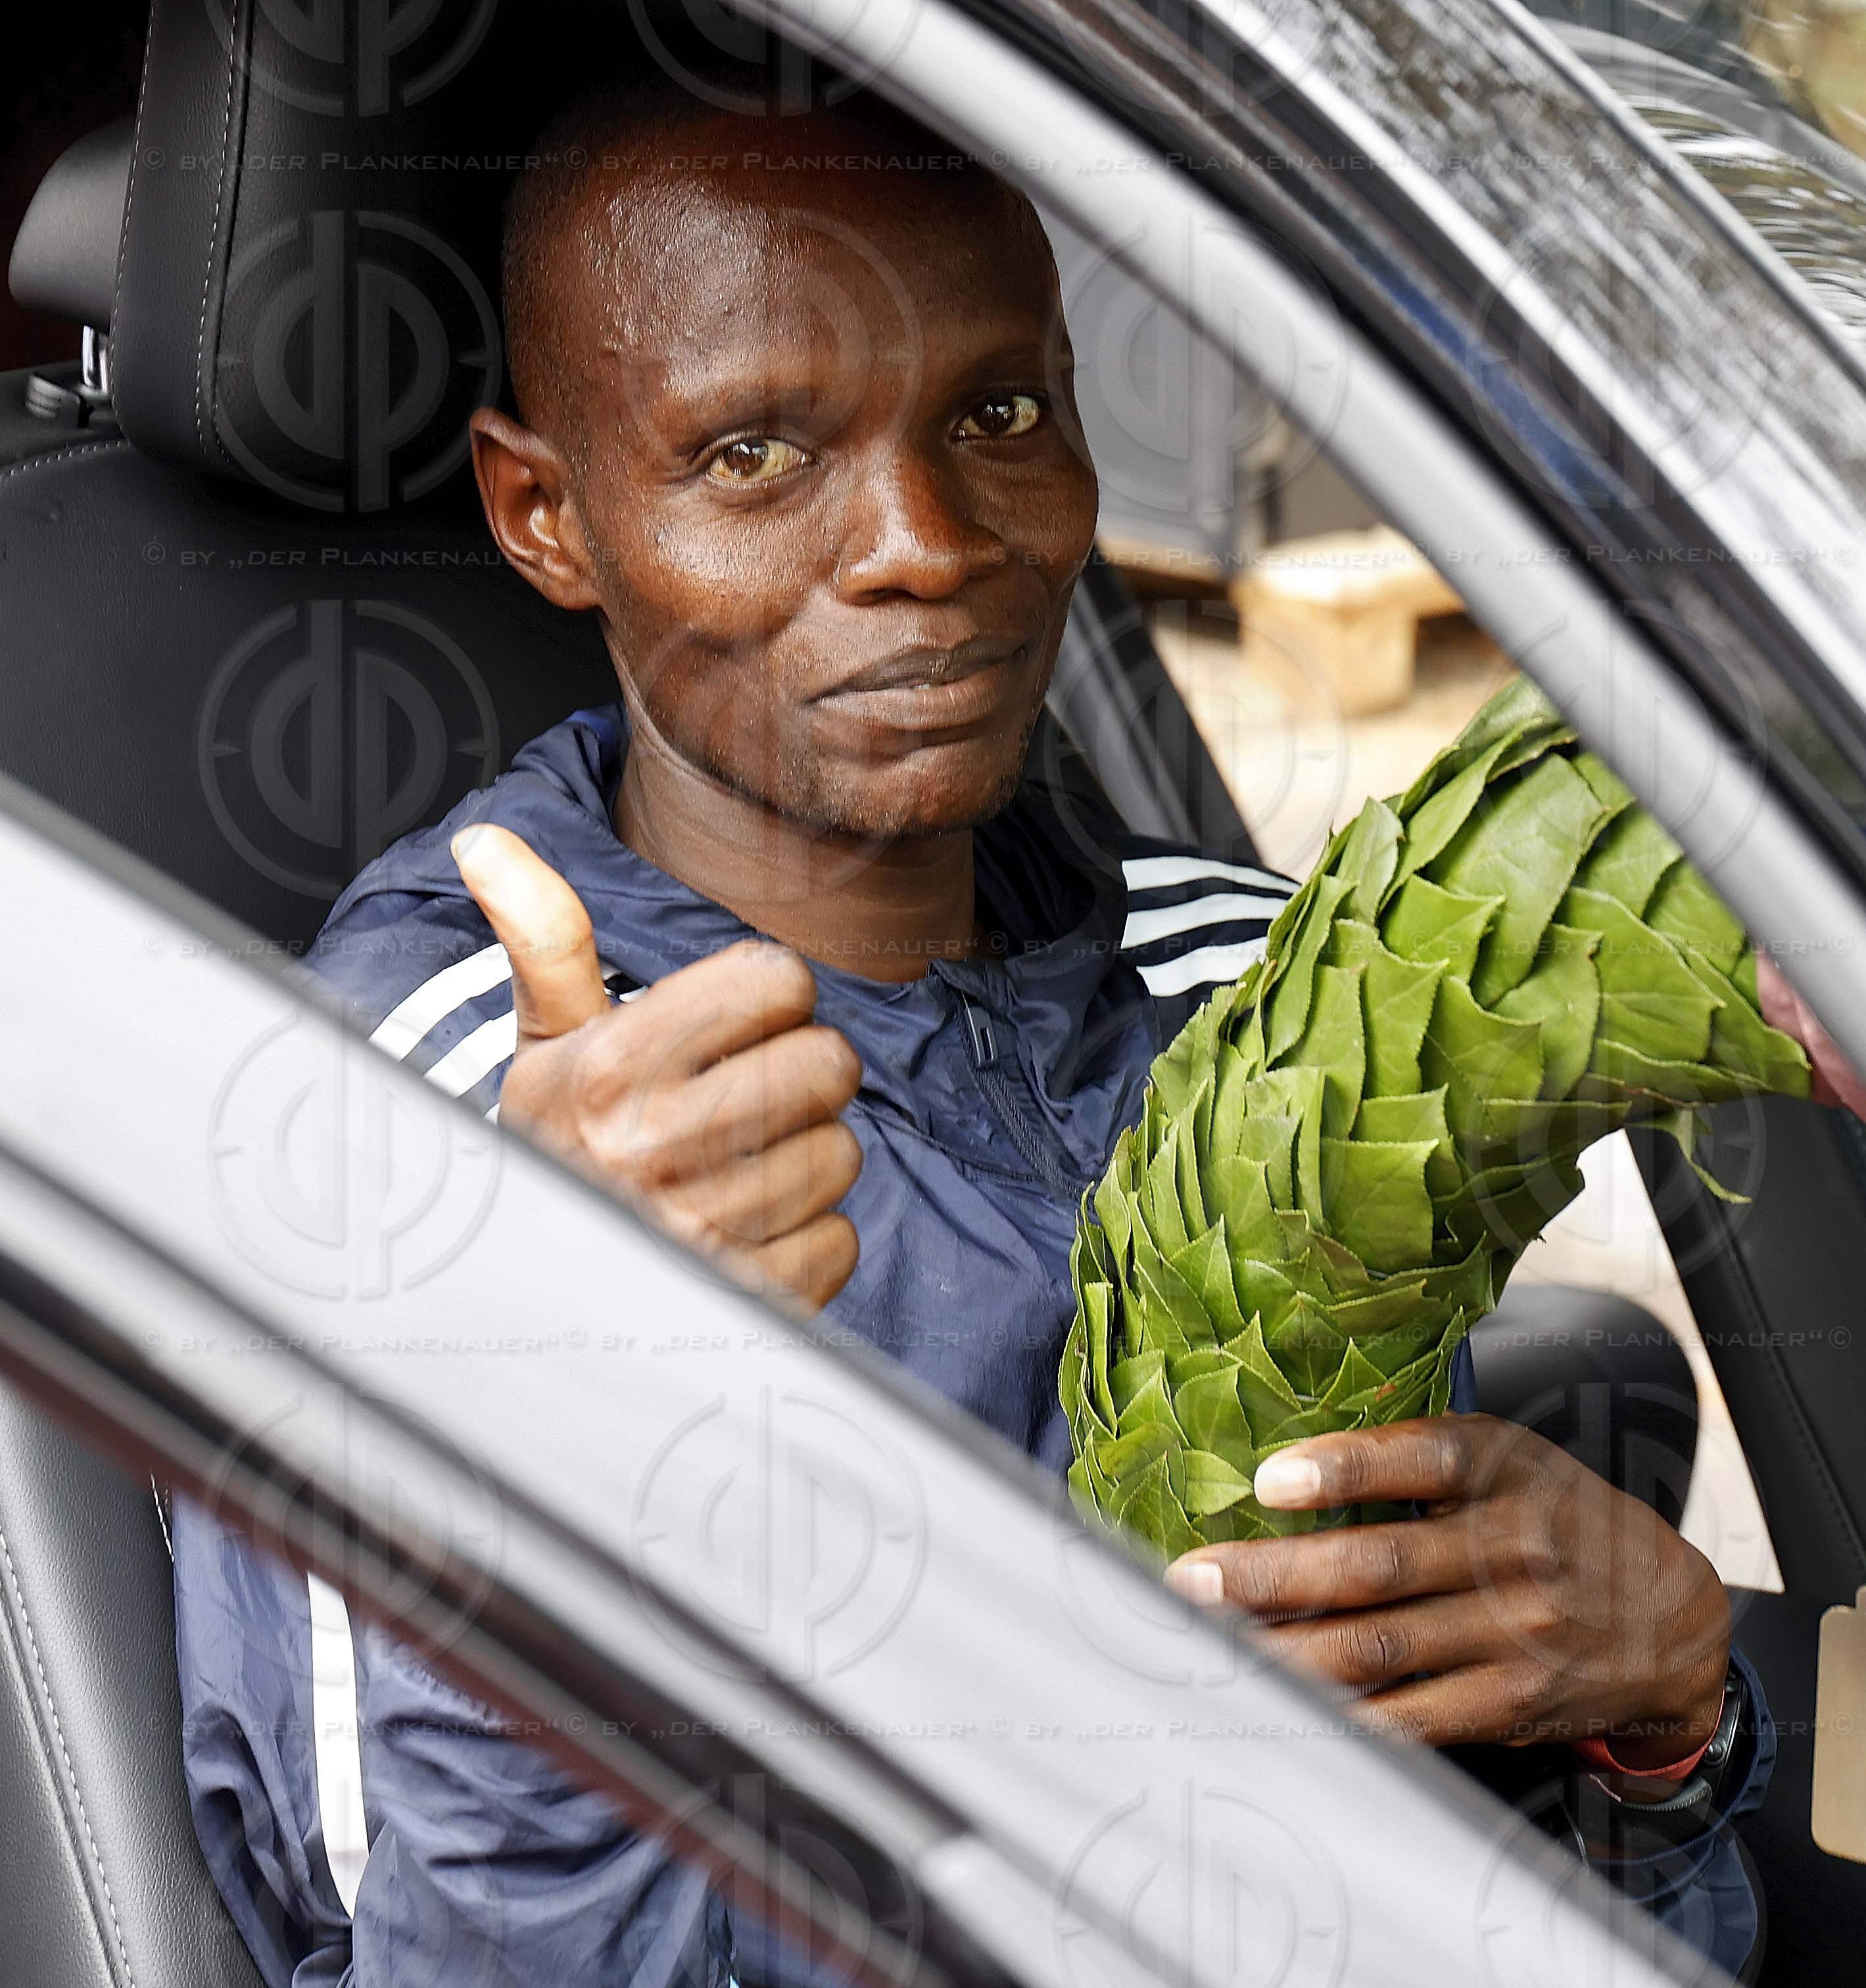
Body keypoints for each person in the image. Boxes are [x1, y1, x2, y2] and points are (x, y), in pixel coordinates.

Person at [172, 79, 1773, 1985]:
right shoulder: (421, 1131)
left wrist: (1667, 1733)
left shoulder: (1256, 992)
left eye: (1000, 417)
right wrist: (518, 1429)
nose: (928, 542)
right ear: (546, 515)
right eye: (759, 453)